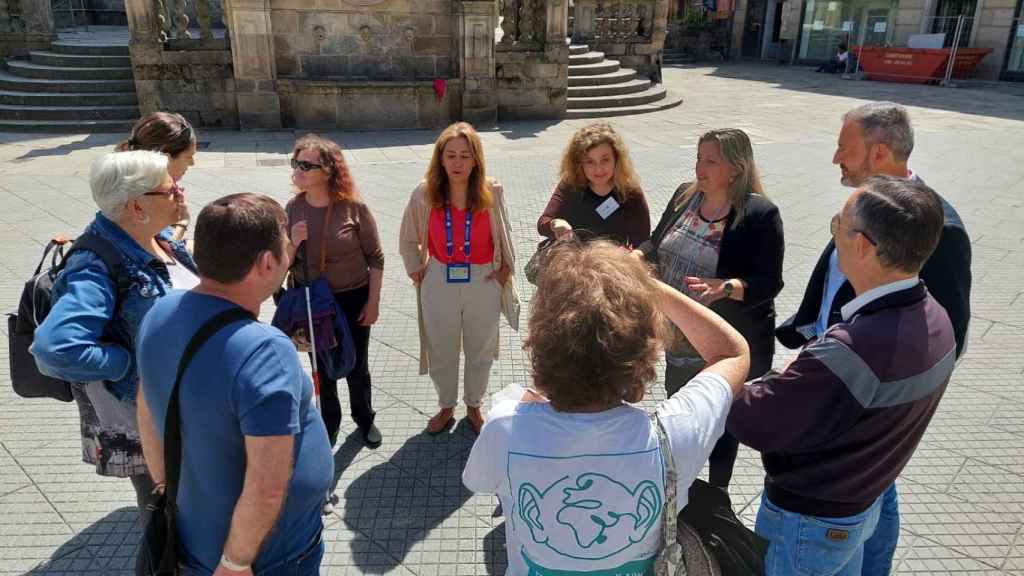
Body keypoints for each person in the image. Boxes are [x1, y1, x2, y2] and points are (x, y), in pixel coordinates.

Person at [462, 240, 750, 576]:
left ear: (542, 340)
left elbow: (479, 481)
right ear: (644, 348)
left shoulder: (505, 425)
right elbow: (732, 353)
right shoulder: (673, 435)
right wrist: (646, 285)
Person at [729, 176, 956, 576]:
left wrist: (721, 370)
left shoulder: (852, 350)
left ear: (863, 245)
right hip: (859, 505)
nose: (833, 233)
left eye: (838, 224)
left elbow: (755, 420)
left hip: (808, 526)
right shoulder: (937, 319)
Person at [136, 193, 333, 576]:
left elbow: (145, 405)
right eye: (286, 244)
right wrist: (236, 562)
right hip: (269, 558)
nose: (290, 251)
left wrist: (164, 483)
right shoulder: (265, 349)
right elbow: (267, 482)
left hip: (196, 537)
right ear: (266, 262)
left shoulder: (159, 312)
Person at [30, 150, 197, 522]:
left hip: (183, 404)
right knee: (168, 516)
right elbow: (54, 349)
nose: (181, 195)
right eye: (171, 191)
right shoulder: (93, 265)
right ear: (137, 207)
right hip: (149, 417)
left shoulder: (157, 236)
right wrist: (126, 363)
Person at [636, 128, 784, 490]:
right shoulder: (685, 197)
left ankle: (718, 493)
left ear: (735, 168)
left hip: (720, 345)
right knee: (682, 414)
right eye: (699, 158)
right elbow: (656, 244)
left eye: (710, 161)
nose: (700, 168)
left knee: (723, 427)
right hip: (677, 340)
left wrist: (727, 288)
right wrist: (638, 257)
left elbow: (769, 282)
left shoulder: (759, 215)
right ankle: (682, 485)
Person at [776, 101, 971, 358]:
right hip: (825, 356)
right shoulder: (864, 200)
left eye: (844, 149)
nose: (836, 159)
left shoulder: (942, 230)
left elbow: (947, 335)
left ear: (879, 153)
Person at [398, 122, 515, 435]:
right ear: (440, 158)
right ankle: (446, 404)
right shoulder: (425, 193)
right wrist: (416, 269)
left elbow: (504, 233)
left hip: (482, 279)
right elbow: (408, 238)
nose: (458, 163)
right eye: (450, 155)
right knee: (441, 347)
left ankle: (474, 404)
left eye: (465, 155)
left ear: (476, 159)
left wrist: (504, 271)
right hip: (439, 277)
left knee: (481, 347)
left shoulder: (491, 191)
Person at [286, 134, 384, 448]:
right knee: (322, 367)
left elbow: (376, 258)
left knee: (358, 365)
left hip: (352, 297)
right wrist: (294, 242)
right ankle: (329, 424)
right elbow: (282, 264)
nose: (297, 170)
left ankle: (364, 418)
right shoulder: (293, 208)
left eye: (306, 165)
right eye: (295, 162)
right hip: (313, 302)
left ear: (328, 171)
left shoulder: (353, 207)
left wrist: (374, 303)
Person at [537, 122, 650, 247]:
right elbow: (543, 223)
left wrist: (635, 255)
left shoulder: (628, 191)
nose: (598, 169)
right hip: (574, 261)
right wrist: (555, 224)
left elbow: (643, 241)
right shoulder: (570, 184)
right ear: (579, 164)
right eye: (590, 162)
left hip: (613, 262)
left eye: (605, 160)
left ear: (616, 159)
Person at [116, 112, 197, 242]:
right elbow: (156, 248)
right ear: (165, 159)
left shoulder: (136, 181)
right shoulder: (149, 197)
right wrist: (182, 222)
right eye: (188, 157)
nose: (192, 163)